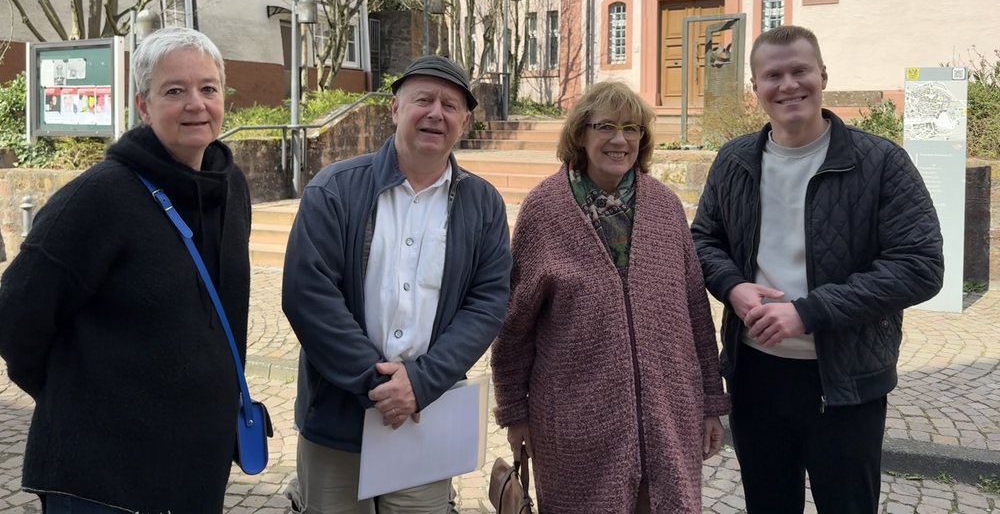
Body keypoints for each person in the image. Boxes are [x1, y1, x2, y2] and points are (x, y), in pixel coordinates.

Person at [691, 25, 944, 514]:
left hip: (846, 380)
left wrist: (809, 312)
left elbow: (920, 264)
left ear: (823, 75)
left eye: (800, 70)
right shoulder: (736, 160)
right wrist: (733, 286)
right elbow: (703, 240)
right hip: (756, 375)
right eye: (773, 75)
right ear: (756, 88)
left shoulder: (879, 162)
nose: (788, 85)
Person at [0, 27, 252, 513]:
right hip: (103, 477)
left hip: (196, 467)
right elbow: (16, 311)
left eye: (208, 88)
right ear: (143, 106)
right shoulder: (100, 197)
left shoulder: (231, 187)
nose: (195, 103)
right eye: (174, 91)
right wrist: (79, 396)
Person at [282, 54, 512, 514]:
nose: (435, 113)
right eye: (423, 99)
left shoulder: (483, 203)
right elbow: (308, 295)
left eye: (450, 105)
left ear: (464, 122)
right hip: (338, 420)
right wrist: (380, 386)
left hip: (426, 419)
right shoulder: (334, 189)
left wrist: (420, 384)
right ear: (394, 109)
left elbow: (488, 302)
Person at [491, 81, 729, 514]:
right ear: (581, 134)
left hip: (669, 415)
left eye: (632, 128)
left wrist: (711, 402)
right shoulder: (544, 210)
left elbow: (696, 312)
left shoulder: (664, 206)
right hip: (574, 426)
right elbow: (515, 325)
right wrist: (513, 412)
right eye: (606, 126)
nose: (620, 140)